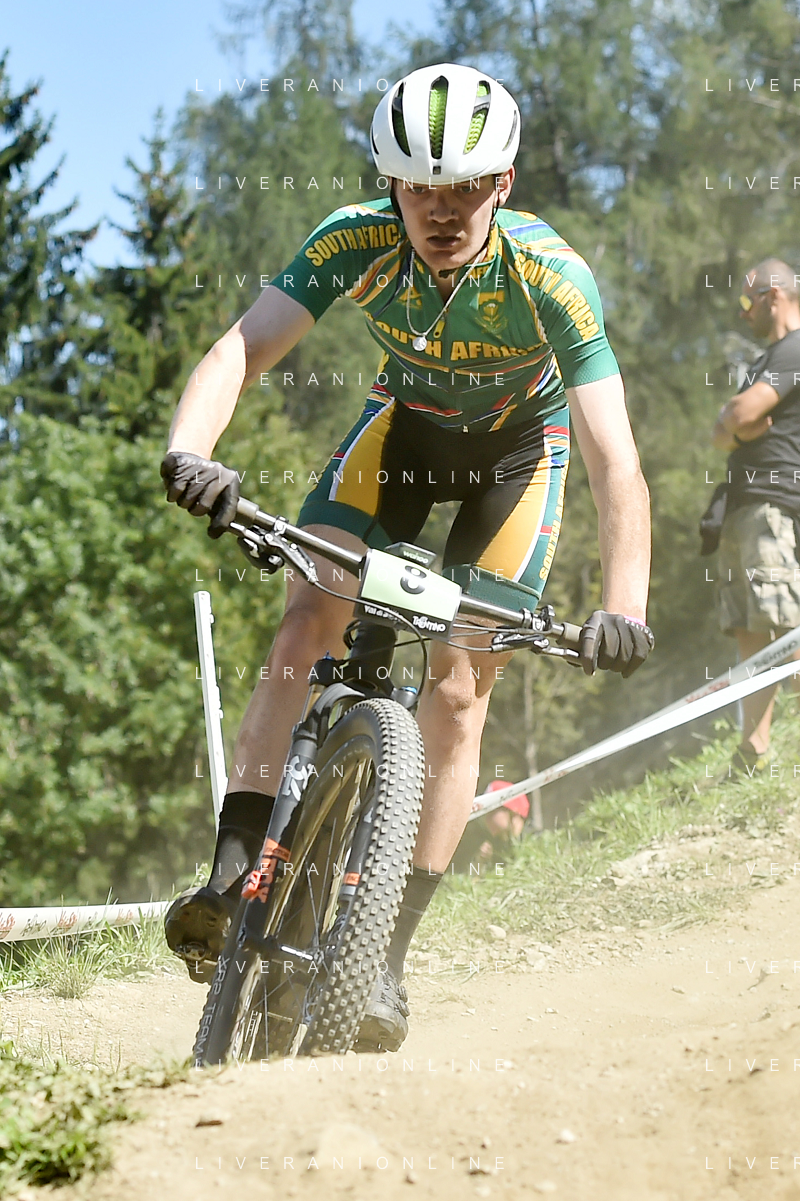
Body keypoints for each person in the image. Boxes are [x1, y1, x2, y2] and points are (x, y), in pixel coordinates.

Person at [161, 63, 653, 1052]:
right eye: (420, 187)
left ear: (503, 182)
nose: (441, 209)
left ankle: (384, 956)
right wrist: (191, 452)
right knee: (309, 613)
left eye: (465, 186)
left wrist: (624, 606)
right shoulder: (353, 241)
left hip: (518, 458)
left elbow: (614, 459)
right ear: (389, 183)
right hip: (404, 435)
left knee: (462, 688)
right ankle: (230, 871)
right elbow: (242, 348)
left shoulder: (551, 275)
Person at [710, 259, 800, 774]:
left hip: (775, 505)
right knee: (749, 627)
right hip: (743, 505)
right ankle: (754, 751)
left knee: (785, 626)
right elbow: (722, 432)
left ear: (773, 295)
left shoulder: (794, 349)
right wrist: (737, 419)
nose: (743, 314)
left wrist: (739, 417)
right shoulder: (768, 359)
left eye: (747, 302)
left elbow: (739, 416)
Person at [450, 780, 530, 872]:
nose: (486, 818)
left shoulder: (533, 845)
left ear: (513, 812)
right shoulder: (483, 840)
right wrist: (480, 862)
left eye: (490, 811)